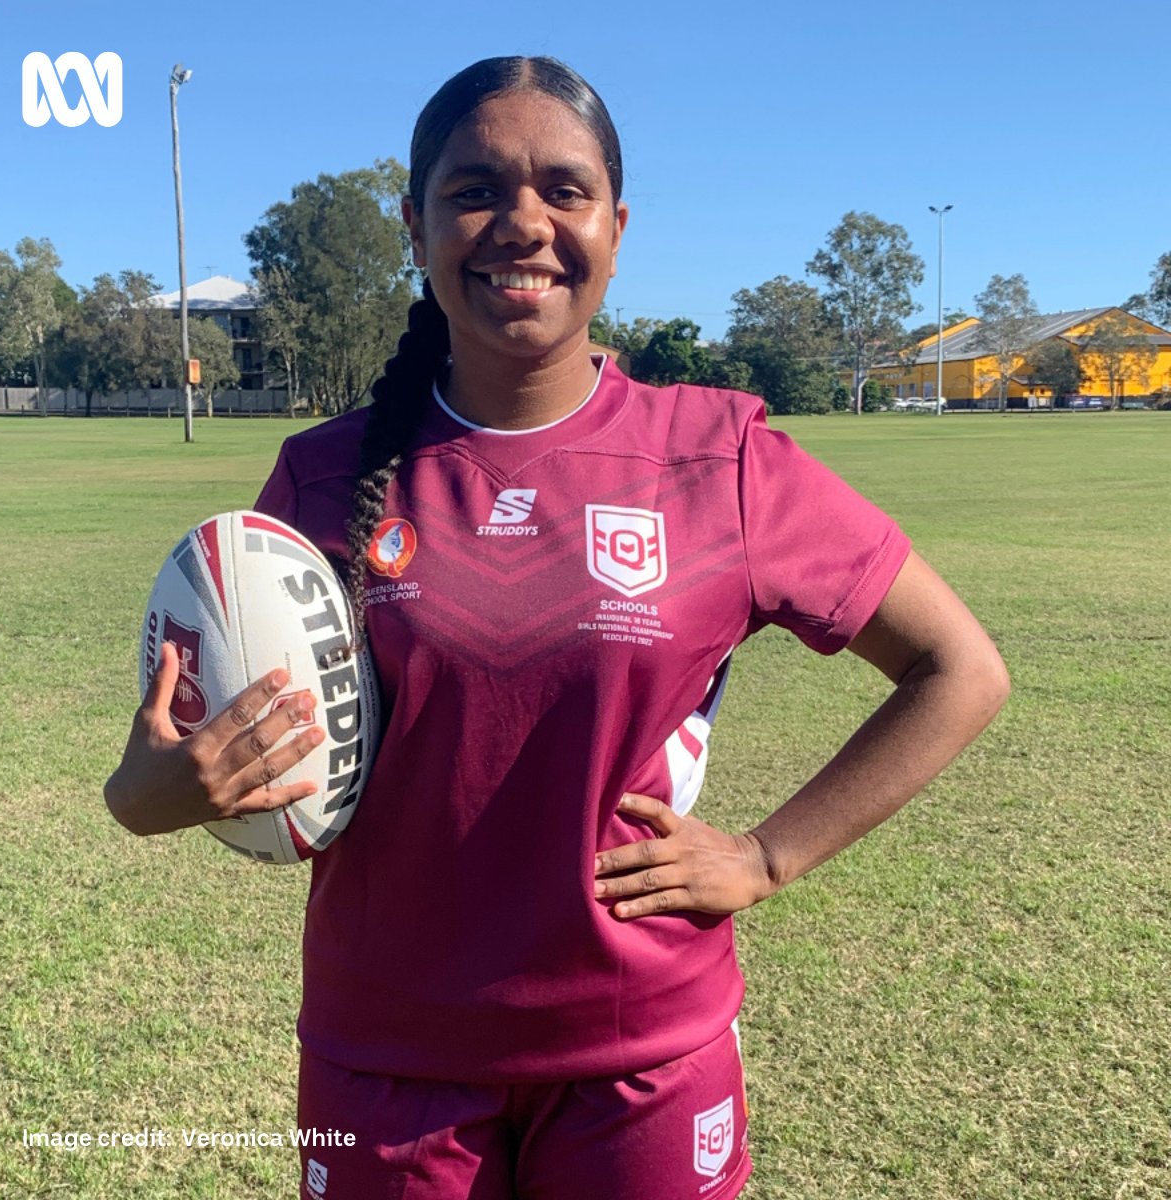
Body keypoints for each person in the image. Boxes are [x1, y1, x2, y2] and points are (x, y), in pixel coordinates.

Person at [105, 55, 1010, 1200]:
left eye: (565, 190)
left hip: (643, 1056)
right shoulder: (322, 478)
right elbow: (171, 777)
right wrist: (153, 792)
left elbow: (957, 668)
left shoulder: (718, 456)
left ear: (616, 230)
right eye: (475, 190)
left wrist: (766, 856)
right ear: (416, 226)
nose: (523, 223)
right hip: (387, 1056)